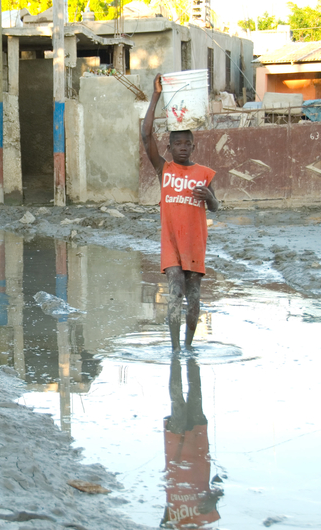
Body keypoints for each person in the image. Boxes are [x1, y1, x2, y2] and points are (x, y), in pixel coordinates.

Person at [142, 73, 219, 354]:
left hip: (195, 242)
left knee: (194, 296)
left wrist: (209, 197)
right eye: (177, 144)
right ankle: (175, 350)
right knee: (174, 290)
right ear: (169, 147)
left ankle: (188, 347)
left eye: (188, 144)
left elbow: (216, 207)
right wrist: (155, 96)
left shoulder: (204, 174)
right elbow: (145, 134)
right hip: (171, 242)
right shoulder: (165, 170)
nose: (183, 148)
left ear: (193, 146)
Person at [160, 355, 222, 530]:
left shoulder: (172, 528)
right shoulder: (204, 526)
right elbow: (219, 488)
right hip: (198, 453)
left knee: (177, 399)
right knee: (195, 395)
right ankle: (191, 360)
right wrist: (212, 501)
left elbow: (163, 521)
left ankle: (176, 360)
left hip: (175, 455)